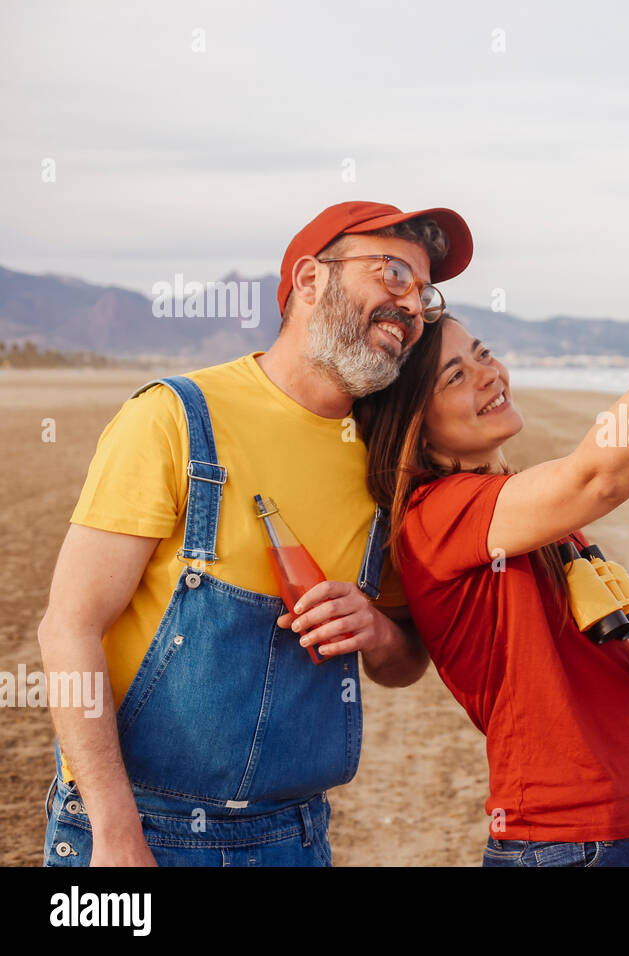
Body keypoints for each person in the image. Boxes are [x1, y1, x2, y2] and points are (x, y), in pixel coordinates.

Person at [37, 200, 472, 866]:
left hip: (291, 838)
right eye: (391, 274)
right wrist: (116, 831)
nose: (412, 306)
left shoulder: (384, 465)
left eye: (423, 292)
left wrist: (377, 629)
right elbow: (67, 629)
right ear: (308, 280)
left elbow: (402, 662)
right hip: (138, 830)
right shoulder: (176, 417)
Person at [338, 223, 629, 865]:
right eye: (454, 378)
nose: (487, 375)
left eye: (483, 353)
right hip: (572, 839)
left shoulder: (520, 506)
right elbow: (599, 475)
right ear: (420, 435)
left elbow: (588, 642)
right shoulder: (437, 516)